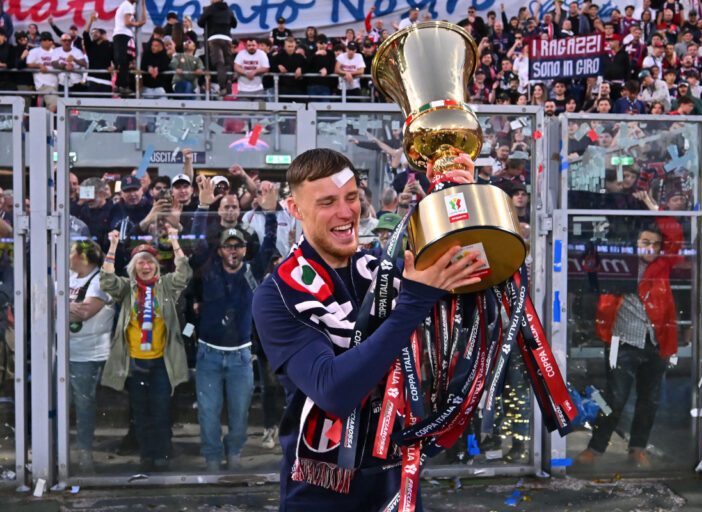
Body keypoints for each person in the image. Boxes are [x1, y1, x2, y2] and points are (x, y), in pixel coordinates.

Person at [251, 148, 485, 510]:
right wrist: (412, 305)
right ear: (294, 209)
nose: (346, 212)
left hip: (397, 482)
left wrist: (461, 204)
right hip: (321, 491)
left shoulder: (381, 270)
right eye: (327, 202)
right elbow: (333, 389)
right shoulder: (277, 293)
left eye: (351, 197)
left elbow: (477, 284)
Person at [577, 219, 683, 469]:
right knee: (614, 398)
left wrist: (654, 209)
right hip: (621, 341)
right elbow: (588, 267)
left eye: (656, 244)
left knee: (649, 400)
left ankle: (637, 448)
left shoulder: (662, 266)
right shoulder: (619, 266)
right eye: (645, 242)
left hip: (655, 342)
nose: (650, 248)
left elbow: (676, 238)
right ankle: (595, 448)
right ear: (635, 244)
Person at [190, 176, 278, 471]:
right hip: (209, 355)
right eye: (227, 246)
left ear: (243, 249)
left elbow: (268, 244)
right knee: (208, 412)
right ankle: (213, 458)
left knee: (240, 415)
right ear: (220, 250)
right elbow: (196, 243)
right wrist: (202, 208)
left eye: (237, 246)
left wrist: (270, 213)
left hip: (241, 357)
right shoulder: (210, 270)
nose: (232, 250)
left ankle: (235, 453)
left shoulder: (253, 272)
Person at [100, 228, 191, 472]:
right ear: (133, 267)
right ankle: (146, 456)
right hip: (134, 362)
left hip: (161, 362)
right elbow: (106, 280)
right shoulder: (126, 288)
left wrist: (174, 241)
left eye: (150, 262)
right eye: (140, 262)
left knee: (161, 412)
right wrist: (112, 247)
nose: (146, 266)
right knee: (140, 414)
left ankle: (162, 454)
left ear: (156, 266)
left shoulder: (166, 285)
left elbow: (184, 273)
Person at [69, 240, 115, 473]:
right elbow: (44, 303)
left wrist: (60, 304)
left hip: (87, 354)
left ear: (81, 256)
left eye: (71, 252)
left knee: (84, 405)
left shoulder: (100, 281)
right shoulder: (68, 276)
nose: (67, 257)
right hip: (62, 351)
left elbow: (83, 313)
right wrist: (68, 305)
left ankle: (84, 455)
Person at [198, 0, 237, 98]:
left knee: (219, 63)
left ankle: (222, 87)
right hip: (227, 38)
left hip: (214, 38)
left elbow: (200, 22)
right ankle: (229, 85)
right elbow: (234, 24)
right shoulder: (229, 10)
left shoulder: (210, 9)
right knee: (228, 63)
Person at [113, 0, 146, 97]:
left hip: (126, 35)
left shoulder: (131, 6)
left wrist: (143, 4)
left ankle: (121, 84)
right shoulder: (126, 5)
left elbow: (143, 19)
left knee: (127, 60)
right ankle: (122, 85)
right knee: (123, 60)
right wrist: (138, 24)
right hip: (122, 35)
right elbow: (127, 22)